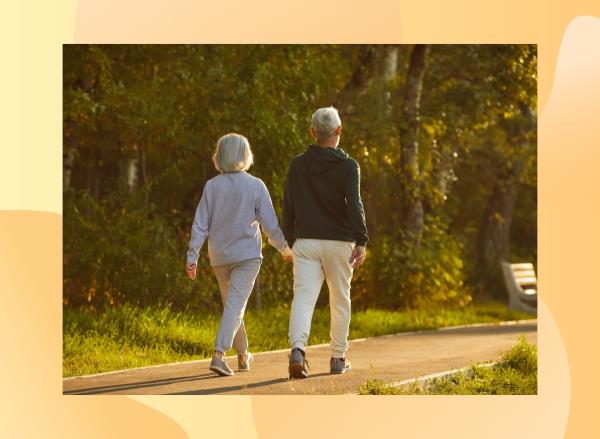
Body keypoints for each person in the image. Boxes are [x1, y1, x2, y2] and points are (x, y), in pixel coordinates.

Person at [186, 133, 293, 377]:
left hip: (219, 257)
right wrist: (286, 249)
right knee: (235, 306)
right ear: (245, 155)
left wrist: (192, 256)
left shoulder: (212, 186)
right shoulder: (255, 185)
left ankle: (243, 355)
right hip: (246, 257)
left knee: (233, 306)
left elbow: (200, 224)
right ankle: (219, 355)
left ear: (220, 156)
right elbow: (270, 225)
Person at [283, 106, 368, 379]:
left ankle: (297, 351)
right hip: (339, 243)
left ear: (313, 132)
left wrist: (290, 239)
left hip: (306, 242)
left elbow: (289, 205)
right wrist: (361, 240)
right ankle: (338, 358)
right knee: (340, 300)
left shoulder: (298, 164)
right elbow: (354, 205)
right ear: (339, 131)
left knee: (303, 298)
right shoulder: (348, 166)